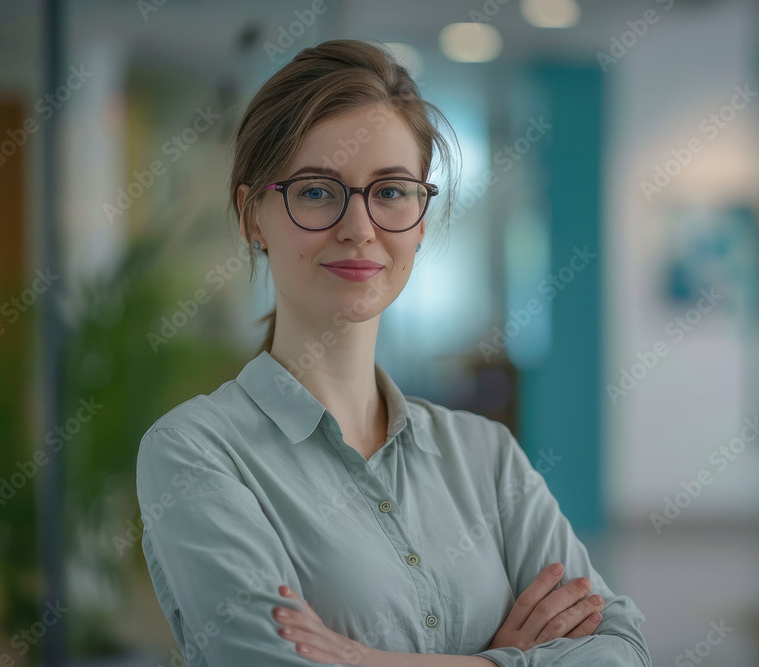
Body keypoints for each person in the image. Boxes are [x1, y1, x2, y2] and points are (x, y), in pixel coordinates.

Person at [136, 37, 651, 666]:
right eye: (317, 191)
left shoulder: (484, 456)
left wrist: (368, 658)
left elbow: (621, 650)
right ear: (252, 217)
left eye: (391, 192)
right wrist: (508, 658)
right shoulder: (197, 451)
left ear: (421, 217)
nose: (359, 228)